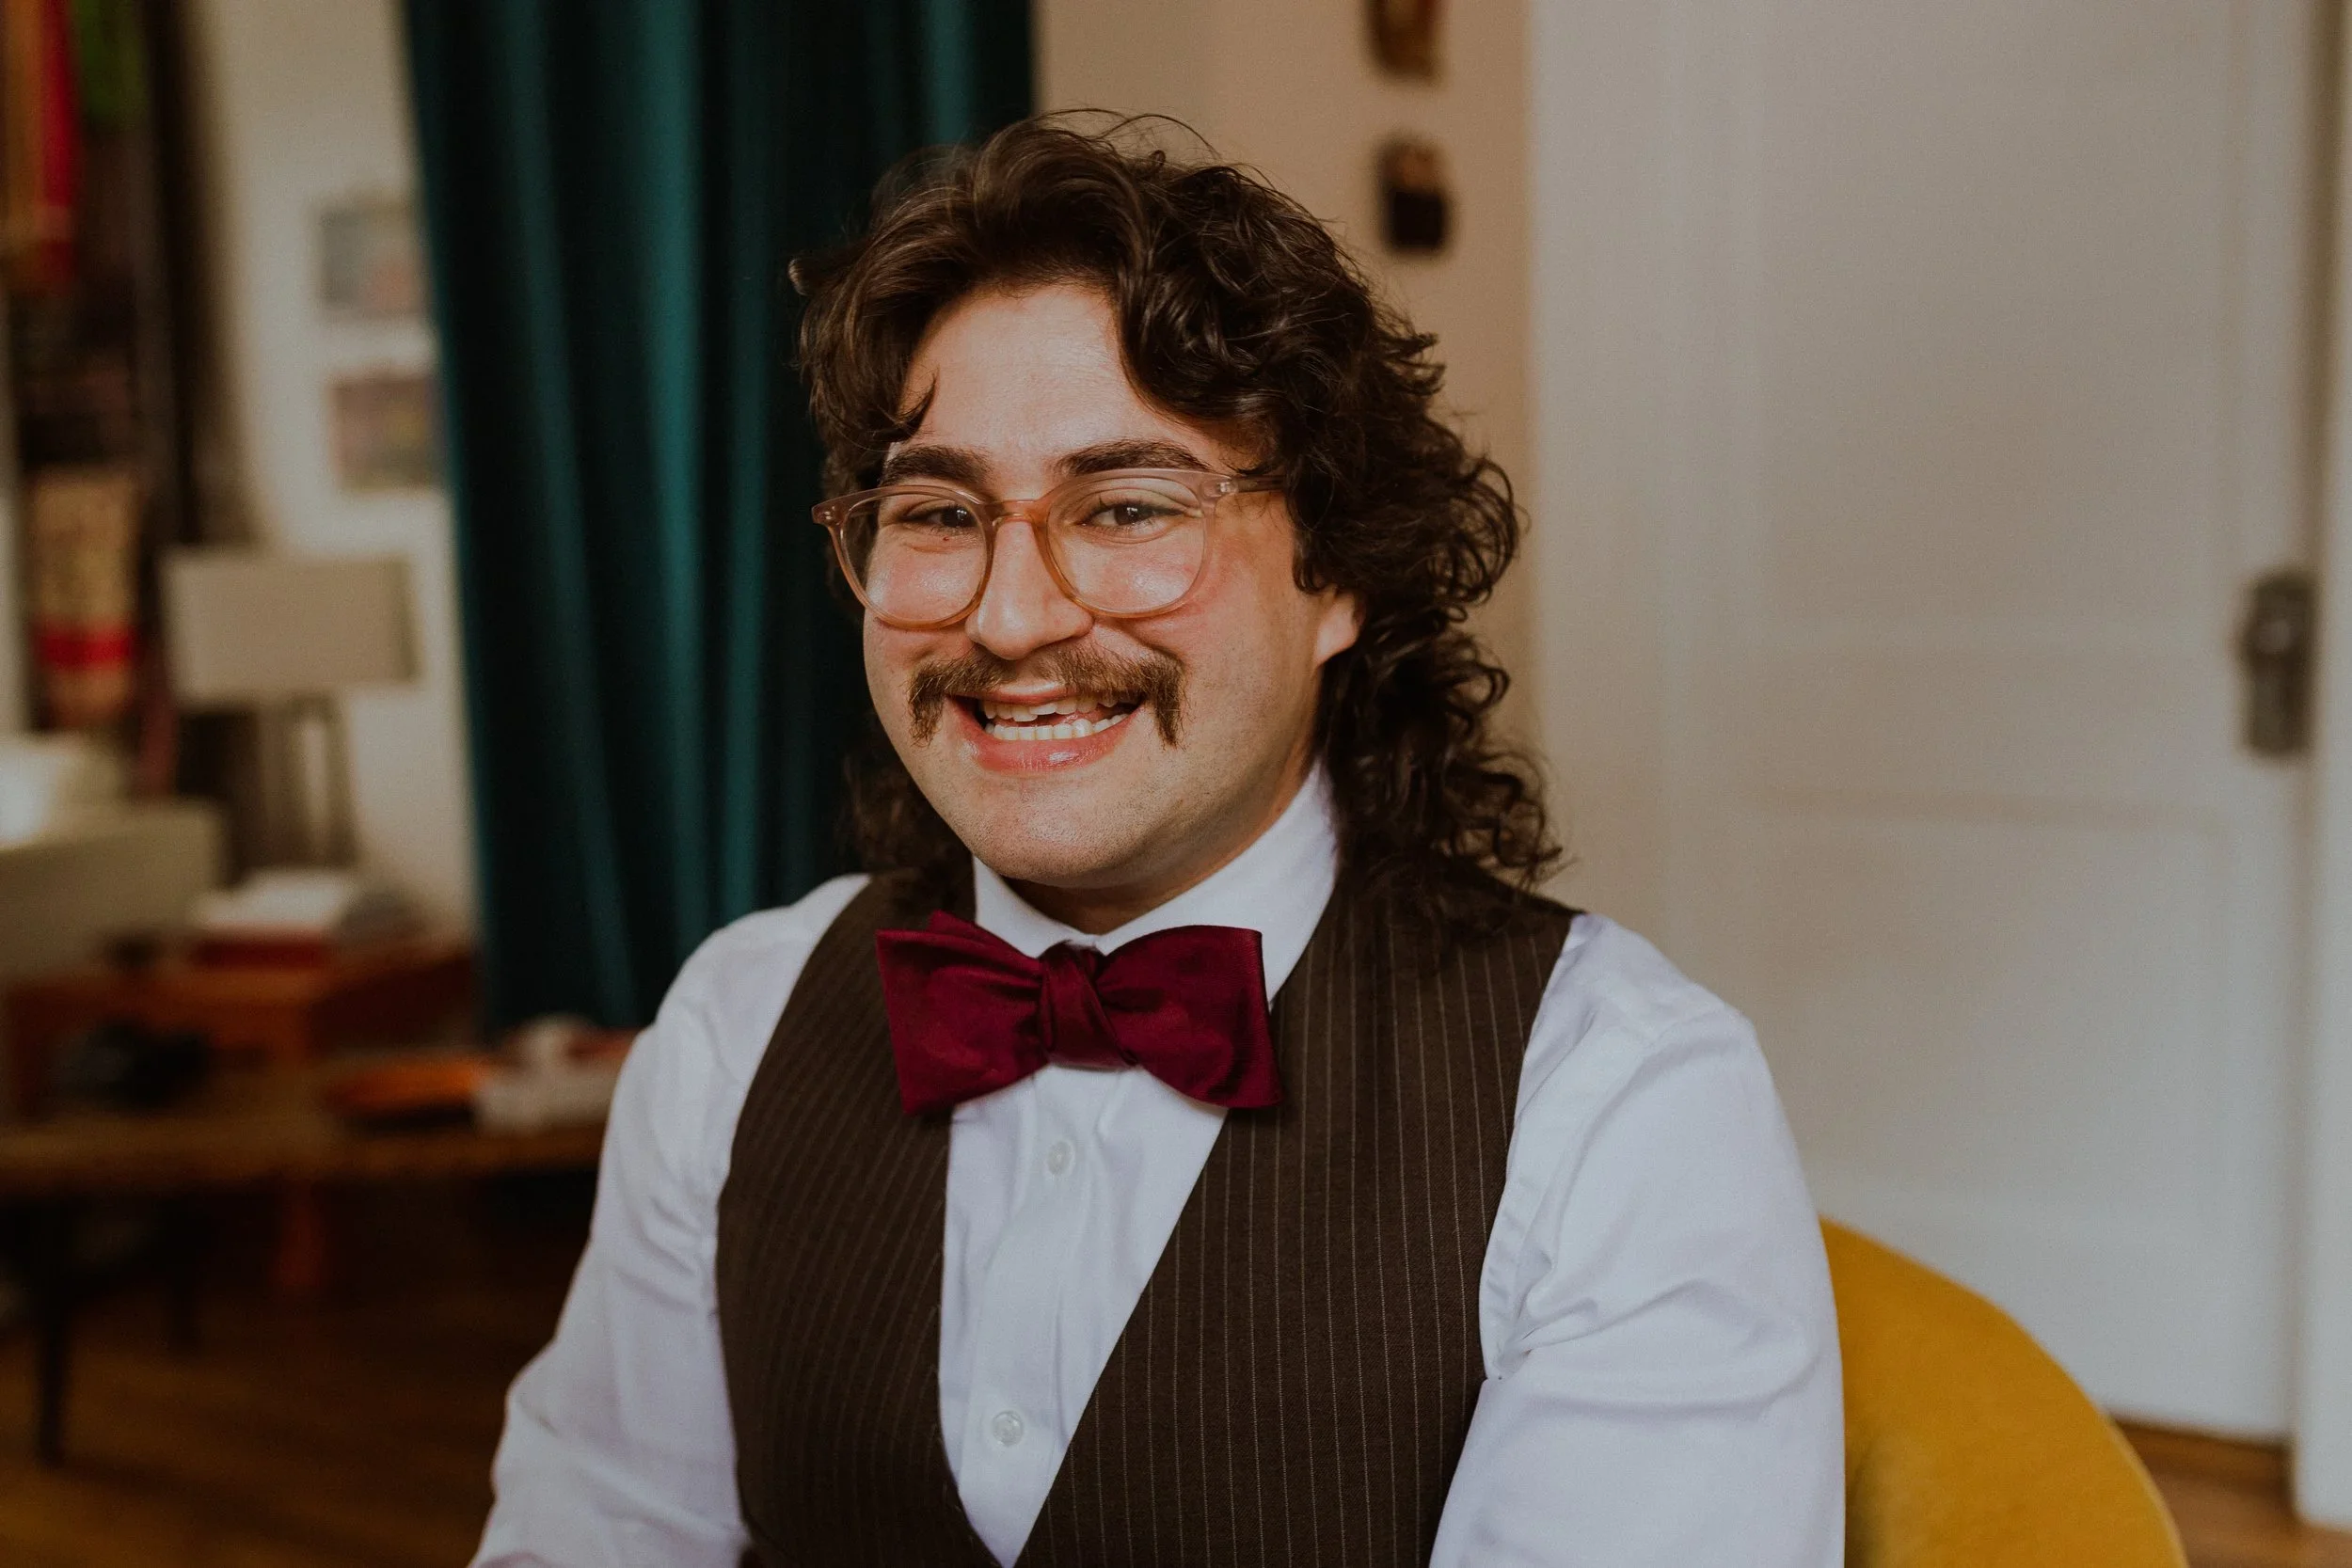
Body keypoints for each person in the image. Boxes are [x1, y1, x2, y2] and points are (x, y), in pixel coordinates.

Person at [473, 116, 1842, 1568]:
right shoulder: (737, 1022)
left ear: (1339, 575)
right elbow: (599, 1528)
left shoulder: (1621, 1099)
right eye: (938, 511)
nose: (1009, 620)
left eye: (1125, 504)